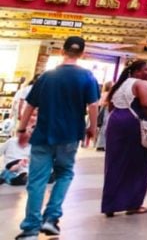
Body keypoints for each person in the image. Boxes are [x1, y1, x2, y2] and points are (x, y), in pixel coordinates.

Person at [15, 35, 99, 240]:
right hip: (70, 135)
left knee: (37, 181)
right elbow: (94, 105)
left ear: (62, 52)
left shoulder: (46, 76)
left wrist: (22, 129)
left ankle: (30, 230)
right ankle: (51, 219)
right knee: (65, 173)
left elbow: (30, 105)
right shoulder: (87, 76)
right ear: (82, 54)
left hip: (43, 134)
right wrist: (92, 128)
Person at [101, 59, 147, 217]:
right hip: (133, 124)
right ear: (136, 71)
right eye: (146, 70)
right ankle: (133, 204)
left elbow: (111, 105)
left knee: (114, 163)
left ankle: (110, 205)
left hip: (115, 122)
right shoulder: (141, 84)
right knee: (138, 164)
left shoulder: (120, 84)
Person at [1, 118, 31, 185]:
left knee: (23, 173)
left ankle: (9, 178)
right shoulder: (11, 141)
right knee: (11, 172)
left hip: (23, 169)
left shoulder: (31, 146)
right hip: (10, 166)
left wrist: (26, 161)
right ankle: (10, 179)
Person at [95, 81, 113, 152]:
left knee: (104, 126)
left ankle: (101, 144)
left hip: (103, 109)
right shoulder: (108, 94)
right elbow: (103, 102)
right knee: (105, 126)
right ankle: (101, 144)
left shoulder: (103, 93)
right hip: (106, 109)